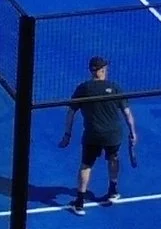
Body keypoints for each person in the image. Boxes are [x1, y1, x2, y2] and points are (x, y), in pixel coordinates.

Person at [57, 56, 137, 213]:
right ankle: (113, 190)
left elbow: (71, 112)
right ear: (102, 70)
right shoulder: (115, 87)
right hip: (113, 134)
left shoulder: (83, 89)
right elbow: (127, 113)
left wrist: (67, 135)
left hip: (93, 135)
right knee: (113, 158)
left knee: (86, 165)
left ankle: (79, 202)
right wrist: (133, 133)